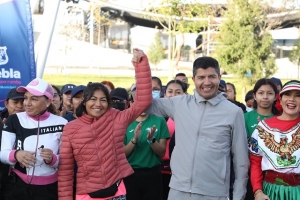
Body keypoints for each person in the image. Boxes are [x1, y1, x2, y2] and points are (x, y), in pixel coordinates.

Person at [146, 56, 249, 200]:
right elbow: (144, 104)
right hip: (178, 190)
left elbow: (241, 161)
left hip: (214, 193)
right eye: (201, 77)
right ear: (193, 79)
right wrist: (141, 67)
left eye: (212, 77)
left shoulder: (233, 112)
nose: (206, 82)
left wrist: (238, 196)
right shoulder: (179, 104)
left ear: (219, 77)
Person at [58, 49, 152, 200]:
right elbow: (66, 171)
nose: (98, 104)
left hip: (117, 192)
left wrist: (141, 65)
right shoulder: (71, 128)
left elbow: (143, 101)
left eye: (103, 100)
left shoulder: (117, 118)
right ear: (85, 101)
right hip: (86, 194)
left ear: (108, 103)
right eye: (92, 99)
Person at [0, 78, 68, 200]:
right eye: (26, 97)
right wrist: (16, 155)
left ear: (48, 101)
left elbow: (66, 160)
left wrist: (52, 159)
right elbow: (3, 154)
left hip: (49, 189)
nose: (27, 103)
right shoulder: (14, 120)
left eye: (34, 99)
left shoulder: (62, 123)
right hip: (18, 186)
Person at [249, 80, 300, 200]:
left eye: (298, 96)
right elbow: (255, 162)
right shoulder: (262, 127)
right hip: (271, 191)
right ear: (280, 99)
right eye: (287, 94)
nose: (292, 99)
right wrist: (258, 192)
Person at [123, 78, 170, 200]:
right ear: (131, 103)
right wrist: (134, 140)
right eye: (137, 102)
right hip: (130, 174)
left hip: (153, 174)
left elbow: (161, 152)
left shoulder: (159, 121)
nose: (142, 106)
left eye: (145, 102)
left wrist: (151, 140)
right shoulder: (124, 122)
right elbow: (122, 153)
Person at [243, 78, 280, 200]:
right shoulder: (244, 118)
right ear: (254, 95)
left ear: (275, 97)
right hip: (249, 172)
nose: (265, 97)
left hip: (274, 174)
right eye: (261, 93)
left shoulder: (280, 118)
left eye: (269, 93)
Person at [161, 80, 186, 200]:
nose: (173, 95)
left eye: (178, 92)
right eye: (170, 91)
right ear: (164, 94)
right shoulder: (158, 115)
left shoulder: (189, 117)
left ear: (185, 95)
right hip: (159, 171)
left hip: (180, 174)